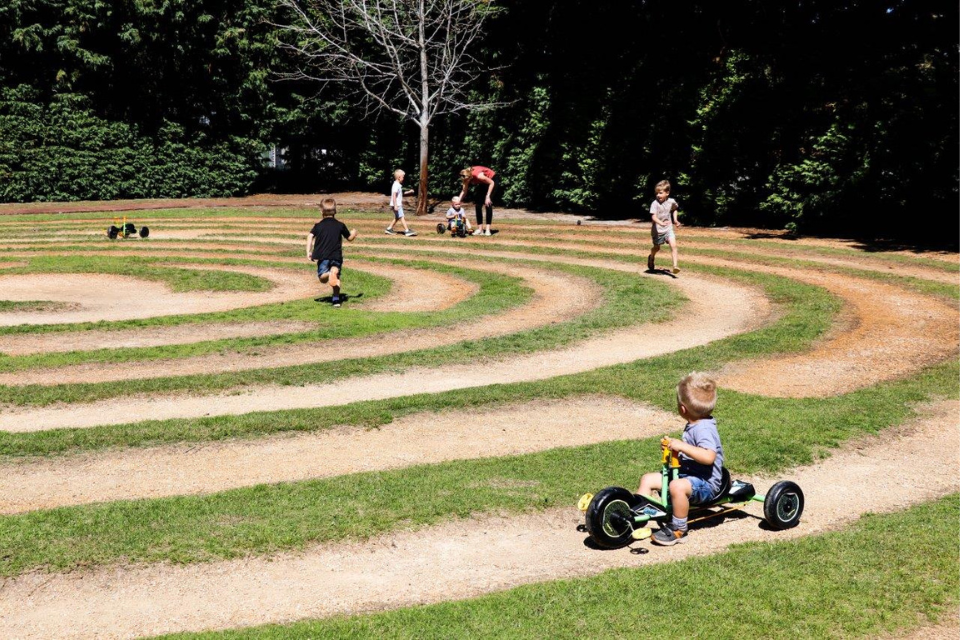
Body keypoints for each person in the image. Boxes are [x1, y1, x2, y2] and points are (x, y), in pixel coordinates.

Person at [636, 372, 724, 546]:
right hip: (688, 474)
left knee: (676, 487)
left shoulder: (704, 429)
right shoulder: (696, 422)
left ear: (682, 409)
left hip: (707, 484)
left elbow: (708, 456)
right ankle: (637, 516)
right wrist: (672, 448)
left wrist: (682, 446)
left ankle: (679, 529)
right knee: (647, 479)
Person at [306, 198, 357, 308]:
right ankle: (336, 300)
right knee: (336, 278)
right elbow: (349, 238)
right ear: (335, 211)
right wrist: (354, 233)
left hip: (323, 256)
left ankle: (329, 274)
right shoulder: (340, 225)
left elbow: (310, 236)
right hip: (336, 256)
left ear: (321, 211)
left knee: (322, 278)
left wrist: (308, 251)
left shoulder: (318, 226)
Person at [647, 179, 681, 274]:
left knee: (673, 246)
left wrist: (675, 220)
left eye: (660, 193)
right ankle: (651, 257)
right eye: (657, 193)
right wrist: (660, 223)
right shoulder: (654, 203)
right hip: (657, 230)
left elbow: (674, 209)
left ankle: (675, 266)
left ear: (667, 193)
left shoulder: (671, 201)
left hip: (668, 228)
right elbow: (653, 216)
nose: (658, 195)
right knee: (657, 248)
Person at [458, 165, 498, 236]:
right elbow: (464, 191)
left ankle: (488, 230)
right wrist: (458, 201)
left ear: (470, 177)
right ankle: (480, 230)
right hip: (483, 183)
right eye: (465, 180)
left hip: (492, 180)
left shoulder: (479, 175)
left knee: (487, 203)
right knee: (478, 205)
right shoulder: (465, 177)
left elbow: (491, 183)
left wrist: (488, 196)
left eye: (467, 180)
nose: (466, 182)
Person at [386, 169, 416, 237]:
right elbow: (394, 195)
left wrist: (409, 192)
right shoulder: (396, 185)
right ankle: (407, 230)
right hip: (397, 205)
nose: (403, 178)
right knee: (402, 217)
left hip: (396, 204)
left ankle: (389, 229)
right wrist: (396, 205)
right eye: (403, 177)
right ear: (399, 177)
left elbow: (401, 193)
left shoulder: (398, 185)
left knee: (397, 217)